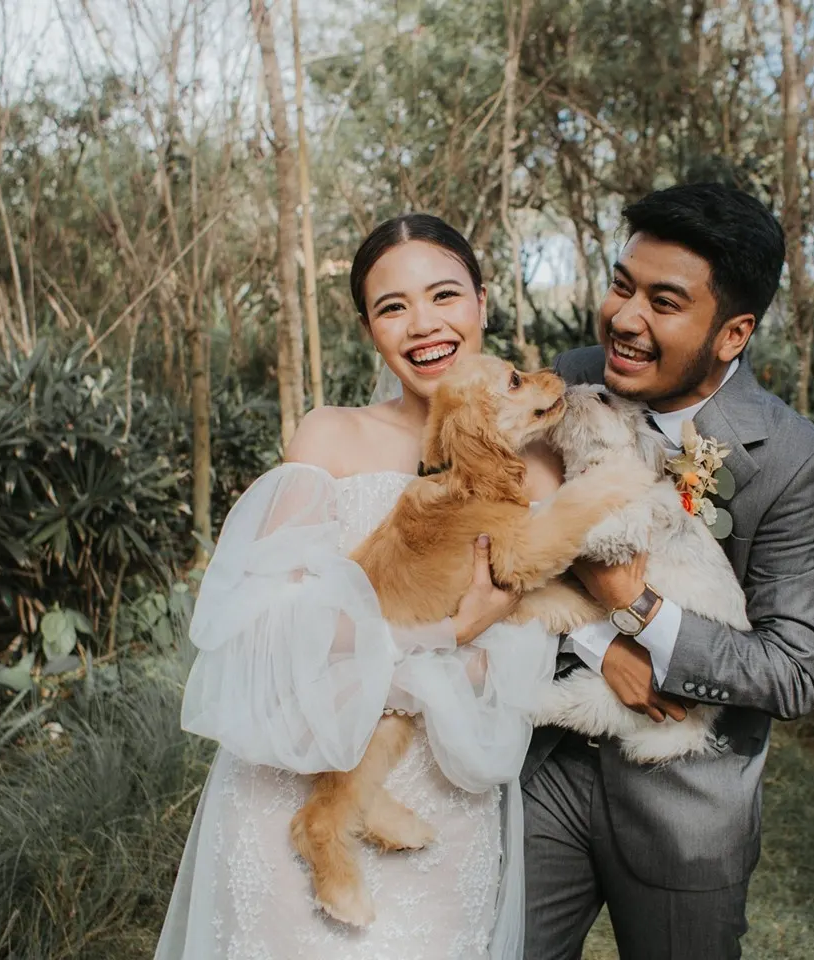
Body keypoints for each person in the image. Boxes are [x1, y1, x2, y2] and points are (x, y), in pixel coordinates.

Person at [154, 213, 565, 960]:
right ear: (370, 328)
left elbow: (530, 647)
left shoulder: (536, 465)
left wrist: (482, 640)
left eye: (444, 295)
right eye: (392, 307)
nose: (424, 326)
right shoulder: (331, 435)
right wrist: (446, 638)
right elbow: (269, 625)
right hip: (303, 766)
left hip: (447, 791)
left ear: (481, 300)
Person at [521, 182, 814, 960]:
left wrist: (643, 610)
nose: (625, 318)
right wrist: (607, 644)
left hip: (687, 806)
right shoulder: (570, 377)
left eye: (664, 302)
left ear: (732, 334)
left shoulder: (794, 458)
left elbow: (794, 672)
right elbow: (515, 548)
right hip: (542, 768)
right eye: (622, 285)